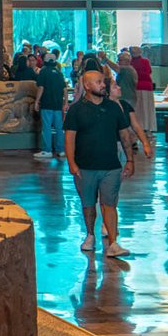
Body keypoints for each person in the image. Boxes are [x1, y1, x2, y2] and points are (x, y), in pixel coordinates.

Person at [64, 69, 136, 257]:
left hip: (110, 165)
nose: (103, 85)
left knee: (109, 203)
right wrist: (71, 163)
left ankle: (113, 242)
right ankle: (89, 235)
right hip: (84, 166)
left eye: (103, 82)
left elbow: (124, 135)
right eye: (98, 82)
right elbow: (70, 138)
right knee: (88, 203)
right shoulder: (76, 110)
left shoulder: (113, 108)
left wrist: (130, 159)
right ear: (87, 86)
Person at [32, 47, 68, 160]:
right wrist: (65, 102)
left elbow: (41, 87)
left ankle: (47, 150)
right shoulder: (58, 73)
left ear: (44, 61)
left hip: (47, 103)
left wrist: (37, 101)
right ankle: (61, 150)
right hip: (58, 104)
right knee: (59, 127)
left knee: (46, 127)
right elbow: (65, 89)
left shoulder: (43, 71)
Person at [131, 46, 156, 135]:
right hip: (146, 87)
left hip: (136, 87)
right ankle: (147, 126)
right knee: (147, 107)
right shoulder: (145, 62)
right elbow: (149, 72)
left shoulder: (130, 63)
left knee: (137, 108)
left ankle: (138, 126)